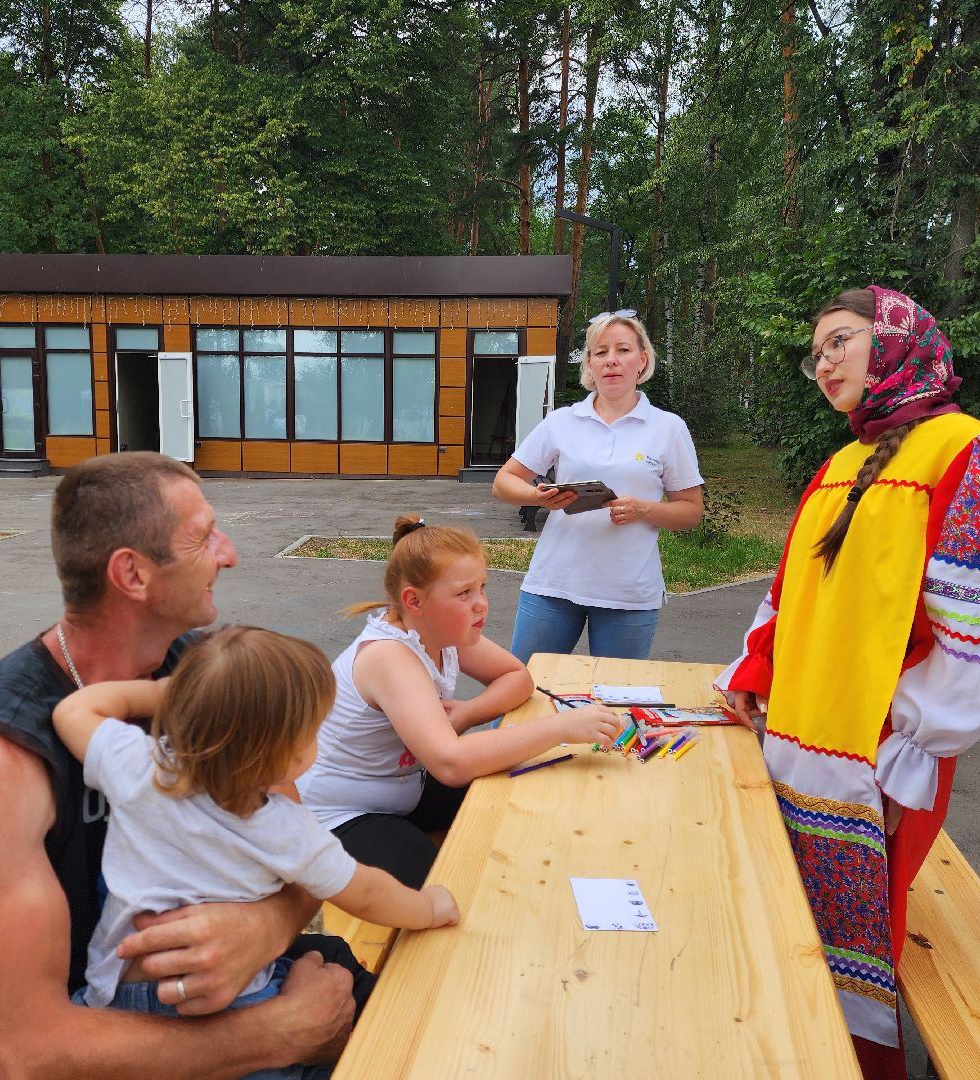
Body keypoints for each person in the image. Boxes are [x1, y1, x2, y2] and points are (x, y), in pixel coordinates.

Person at [0, 452, 368, 1079]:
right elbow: (23, 1053)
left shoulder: (205, 672)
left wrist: (261, 928)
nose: (230, 553)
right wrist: (277, 1033)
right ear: (132, 574)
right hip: (109, 1035)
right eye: (203, 536)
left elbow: (291, 833)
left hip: (236, 983)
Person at [716, 287, 980, 1080]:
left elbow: (978, 629)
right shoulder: (844, 460)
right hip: (796, 731)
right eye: (814, 351)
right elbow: (789, 590)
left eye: (839, 342)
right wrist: (757, 668)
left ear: (894, 341)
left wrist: (922, 739)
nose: (823, 363)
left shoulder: (970, 453)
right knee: (791, 923)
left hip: (880, 753)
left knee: (854, 945)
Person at [52, 626, 458, 1078]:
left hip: (116, 1000)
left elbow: (75, 709)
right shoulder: (286, 830)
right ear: (290, 754)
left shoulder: (142, 767)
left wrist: (167, 695)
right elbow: (366, 892)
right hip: (238, 1003)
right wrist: (429, 907)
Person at [294, 515, 624, 887]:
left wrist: (468, 712)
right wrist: (562, 727)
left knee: (514, 794)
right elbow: (451, 763)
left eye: (482, 587)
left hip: (405, 788)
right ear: (414, 601)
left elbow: (518, 678)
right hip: (343, 814)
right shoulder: (389, 656)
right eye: (464, 593)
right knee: (446, 882)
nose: (481, 604)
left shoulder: (441, 630)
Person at [491, 310, 704, 662]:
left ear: (642, 360)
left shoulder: (668, 428)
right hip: (553, 585)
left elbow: (691, 512)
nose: (611, 361)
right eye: (600, 352)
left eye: (622, 350)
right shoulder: (562, 421)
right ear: (589, 363)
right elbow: (503, 483)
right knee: (523, 690)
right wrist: (541, 497)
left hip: (628, 593)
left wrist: (643, 509)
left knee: (613, 702)